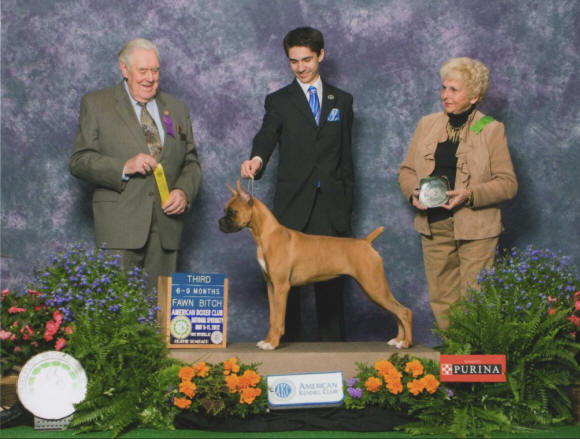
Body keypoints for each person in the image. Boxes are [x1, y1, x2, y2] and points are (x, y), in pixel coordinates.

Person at [240, 27, 354, 342]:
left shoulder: (342, 101)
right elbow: (266, 135)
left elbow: (346, 158)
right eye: (293, 61)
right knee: (281, 284)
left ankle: (336, 358)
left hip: (331, 205)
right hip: (292, 203)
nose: (301, 67)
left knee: (331, 290)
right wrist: (257, 160)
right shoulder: (278, 101)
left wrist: (346, 203)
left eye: (307, 59)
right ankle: (283, 349)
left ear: (321, 55)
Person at [70, 38, 202, 293]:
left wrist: (184, 191)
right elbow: (79, 161)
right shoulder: (96, 104)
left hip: (166, 226)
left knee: (160, 315)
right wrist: (123, 166)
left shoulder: (176, 108)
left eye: (155, 70)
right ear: (124, 69)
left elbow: (191, 162)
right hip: (120, 225)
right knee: (118, 311)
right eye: (143, 71)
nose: (150, 78)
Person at [398, 57, 517, 330]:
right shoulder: (426, 124)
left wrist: (470, 194)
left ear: (474, 96)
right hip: (434, 225)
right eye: (443, 88)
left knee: (475, 297)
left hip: (476, 229)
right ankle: (453, 356)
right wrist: (412, 193)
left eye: (454, 90)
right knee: (441, 298)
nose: (445, 95)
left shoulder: (491, 129)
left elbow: (508, 184)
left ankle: (474, 360)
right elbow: (406, 170)